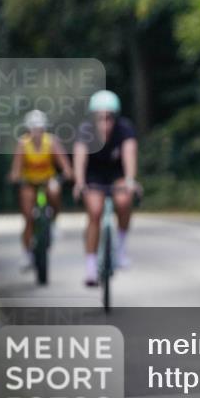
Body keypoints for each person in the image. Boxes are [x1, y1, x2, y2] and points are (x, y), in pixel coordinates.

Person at [73, 90, 140, 287]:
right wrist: (79, 182)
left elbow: (130, 153)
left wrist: (130, 179)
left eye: (109, 118)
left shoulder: (124, 128)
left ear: (115, 117)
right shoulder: (86, 131)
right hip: (94, 176)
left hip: (117, 174)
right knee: (94, 212)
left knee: (124, 200)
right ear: (93, 118)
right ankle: (91, 267)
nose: (105, 122)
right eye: (100, 118)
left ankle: (120, 248)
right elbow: (80, 157)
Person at [8, 110, 73, 270]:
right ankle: (26, 254)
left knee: (54, 191)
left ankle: (54, 223)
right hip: (29, 182)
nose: (37, 132)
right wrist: (15, 177)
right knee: (28, 216)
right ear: (28, 129)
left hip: (47, 180)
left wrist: (66, 173)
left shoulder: (51, 142)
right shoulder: (23, 143)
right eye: (34, 128)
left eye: (40, 128)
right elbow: (16, 169)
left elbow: (64, 164)